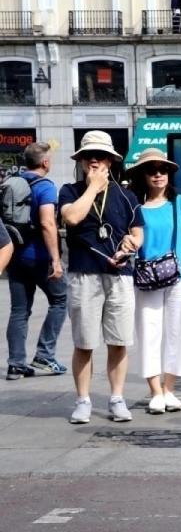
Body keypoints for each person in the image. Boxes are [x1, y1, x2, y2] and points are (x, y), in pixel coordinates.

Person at [59, 131, 144, 424]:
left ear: (110, 160)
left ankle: (117, 398)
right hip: (84, 274)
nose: (93, 160)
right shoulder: (70, 191)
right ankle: (83, 400)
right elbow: (72, 217)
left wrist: (131, 244)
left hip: (119, 275)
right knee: (84, 342)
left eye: (100, 156)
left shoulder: (127, 195)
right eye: (88, 156)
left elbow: (137, 233)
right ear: (81, 161)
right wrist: (93, 188)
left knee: (119, 341)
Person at [128, 149, 181, 414]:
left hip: (178, 276)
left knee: (176, 331)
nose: (158, 175)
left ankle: (169, 388)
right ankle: (155, 391)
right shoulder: (135, 206)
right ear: (142, 175)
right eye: (152, 170)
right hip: (146, 277)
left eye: (163, 169)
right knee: (148, 332)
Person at [6, 142, 68, 380]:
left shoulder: (12, 183)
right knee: (60, 299)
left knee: (19, 311)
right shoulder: (45, 186)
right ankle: (44, 354)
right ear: (45, 162)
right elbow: (47, 223)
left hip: (15, 256)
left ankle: (15, 364)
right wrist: (56, 260)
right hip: (39, 257)